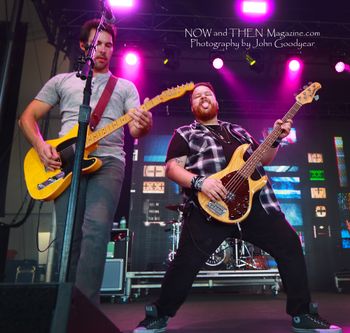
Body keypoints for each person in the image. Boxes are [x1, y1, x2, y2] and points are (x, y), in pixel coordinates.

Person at [133, 82, 342, 333]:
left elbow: (263, 158)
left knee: (289, 245)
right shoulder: (185, 133)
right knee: (185, 262)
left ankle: (302, 314)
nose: (203, 97)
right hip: (208, 206)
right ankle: (159, 315)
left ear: (217, 101)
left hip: (255, 204)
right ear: (192, 107)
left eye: (207, 94)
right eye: (197, 97)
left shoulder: (238, 132)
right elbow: (171, 168)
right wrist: (200, 183)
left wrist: (275, 139)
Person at [18, 19, 152, 305]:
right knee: (68, 236)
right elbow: (26, 118)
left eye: (108, 45)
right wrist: (42, 147)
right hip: (67, 163)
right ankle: (60, 306)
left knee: (95, 230)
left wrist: (144, 123)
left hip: (109, 161)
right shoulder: (62, 82)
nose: (103, 50)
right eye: (96, 44)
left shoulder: (125, 87)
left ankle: (84, 309)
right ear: (83, 46)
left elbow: (135, 130)